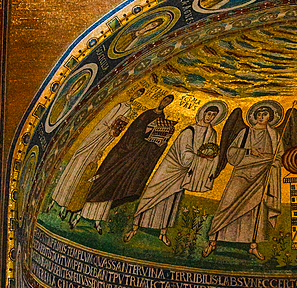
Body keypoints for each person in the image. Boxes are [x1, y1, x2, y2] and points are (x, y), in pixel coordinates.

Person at [125, 103, 222, 247]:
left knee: (172, 200)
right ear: (203, 113)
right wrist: (200, 157)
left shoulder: (211, 133)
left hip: (185, 173)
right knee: (152, 193)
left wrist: (208, 158)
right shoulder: (189, 131)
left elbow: (212, 152)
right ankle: (134, 228)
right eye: (209, 114)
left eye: (214, 116)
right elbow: (184, 155)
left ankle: (162, 233)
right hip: (172, 168)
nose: (210, 117)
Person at [80, 94, 176, 231]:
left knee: (117, 184)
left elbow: (155, 139)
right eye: (165, 99)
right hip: (125, 153)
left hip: (136, 158)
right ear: (161, 99)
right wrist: (144, 137)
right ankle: (82, 211)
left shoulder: (162, 119)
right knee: (106, 179)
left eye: (169, 102)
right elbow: (134, 132)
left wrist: (160, 143)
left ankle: (98, 220)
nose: (165, 102)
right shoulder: (146, 114)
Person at [203, 102, 283, 261]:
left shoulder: (274, 135)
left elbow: (279, 155)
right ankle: (213, 241)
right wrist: (248, 151)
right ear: (254, 116)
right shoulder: (245, 132)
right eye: (258, 114)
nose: (261, 117)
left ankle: (252, 246)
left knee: (256, 210)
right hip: (242, 172)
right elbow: (231, 152)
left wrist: (273, 162)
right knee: (228, 202)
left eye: (265, 114)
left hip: (262, 174)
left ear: (271, 117)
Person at [49, 93, 135, 224]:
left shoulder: (112, 133)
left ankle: (72, 208)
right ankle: (60, 200)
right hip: (92, 143)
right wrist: (109, 129)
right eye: (136, 93)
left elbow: (113, 135)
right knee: (76, 167)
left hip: (95, 153)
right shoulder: (116, 110)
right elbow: (105, 123)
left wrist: (111, 135)